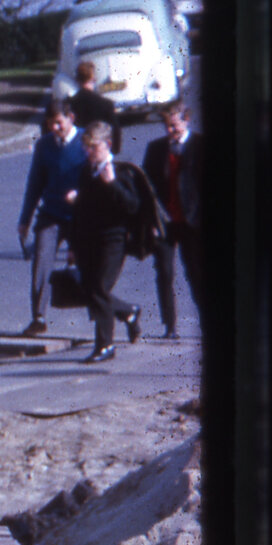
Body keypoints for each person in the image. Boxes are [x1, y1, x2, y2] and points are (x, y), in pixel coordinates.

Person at [62, 122, 151, 363]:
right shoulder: (85, 172)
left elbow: (132, 206)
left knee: (99, 288)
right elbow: (81, 213)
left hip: (113, 240)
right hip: (86, 239)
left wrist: (111, 184)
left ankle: (105, 346)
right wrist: (71, 243)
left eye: (94, 147)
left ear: (108, 145)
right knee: (90, 290)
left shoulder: (120, 172)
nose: (89, 152)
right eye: (86, 147)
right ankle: (128, 312)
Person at [14, 103, 88, 335]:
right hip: (51, 215)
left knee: (90, 268)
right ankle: (38, 317)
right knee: (41, 262)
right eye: (50, 124)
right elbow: (34, 184)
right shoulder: (44, 146)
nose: (55, 128)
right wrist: (25, 219)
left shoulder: (86, 142)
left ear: (71, 118)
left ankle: (105, 315)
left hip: (81, 216)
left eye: (59, 123)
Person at [140, 101, 200, 336]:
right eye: (167, 126)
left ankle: (206, 319)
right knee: (164, 271)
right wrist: (150, 223)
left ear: (186, 120)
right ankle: (170, 326)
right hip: (164, 222)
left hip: (191, 222)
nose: (170, 131)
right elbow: (147, 190)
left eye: (174, 126)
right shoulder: (156, 149)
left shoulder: (200, 146)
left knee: (195, 271)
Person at [64, 61, 119, 154]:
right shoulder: (106, 104)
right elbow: (115, 135)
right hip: (98, 153)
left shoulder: (67, 104)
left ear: (77, 80)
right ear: (94, 79)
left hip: (74, 153)